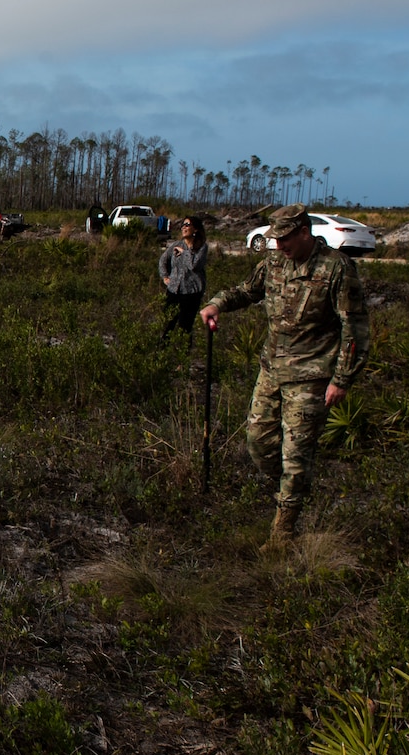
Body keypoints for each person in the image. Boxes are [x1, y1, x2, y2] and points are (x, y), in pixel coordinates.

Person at [201, 204, 370, 541]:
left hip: (312, 376)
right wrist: (217, 303)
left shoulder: (336, 268)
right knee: (259, 444)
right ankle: (295, 486)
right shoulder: (275, 262)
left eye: (285, 239)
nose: (279, 246)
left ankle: (283, 534)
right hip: (272, 369)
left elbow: (355, 328)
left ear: (304, 232)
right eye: (275, 240)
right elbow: (247, 290)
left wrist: (342, 380)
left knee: (295, 455)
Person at [157, 215, 209, 338]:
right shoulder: (176, 244)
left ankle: (183, 353)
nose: (184, 227)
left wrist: (184, 252)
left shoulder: (202, 247)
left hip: (191, 292)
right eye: (183, 225)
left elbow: (194, 265)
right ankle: (162, 352)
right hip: (174, 290)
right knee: (167, 323)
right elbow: (163, 260)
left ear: (195, 229)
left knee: (185, 327)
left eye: (187, 225)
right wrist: (165, 277)